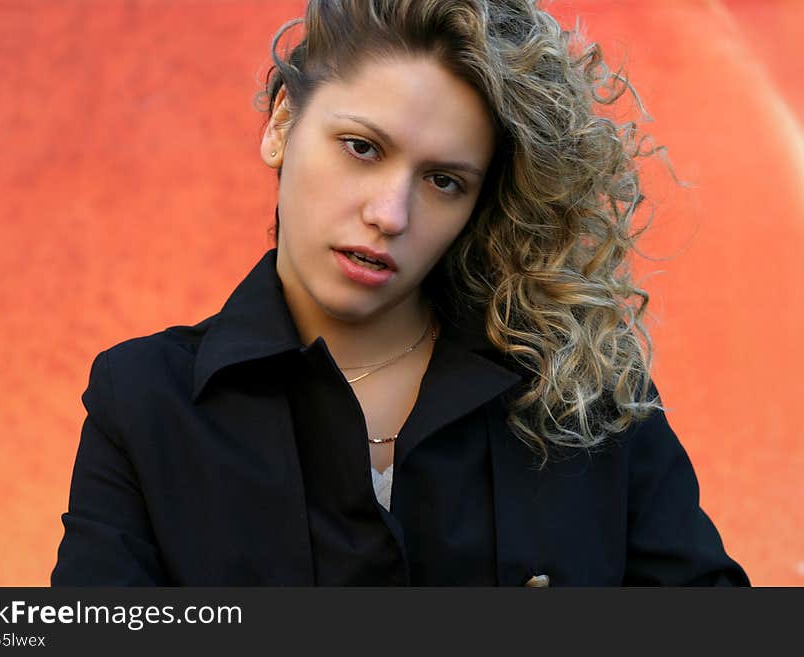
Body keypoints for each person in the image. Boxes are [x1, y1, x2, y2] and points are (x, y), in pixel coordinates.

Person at [51, 0, 749, 586]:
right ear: (281, 125)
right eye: (362, 147)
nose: (390, 213)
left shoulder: (583, 391)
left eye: (444, 180)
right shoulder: (143, 401)